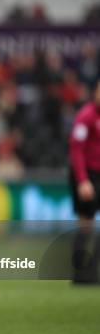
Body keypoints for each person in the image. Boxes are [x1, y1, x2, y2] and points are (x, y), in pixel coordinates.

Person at [68, 79, 100, 284]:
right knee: (85, 224)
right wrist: (82, 180)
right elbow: (76, 150)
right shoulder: (86, 116)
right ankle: (80, 274)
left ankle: (94, 272)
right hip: (88, 175)